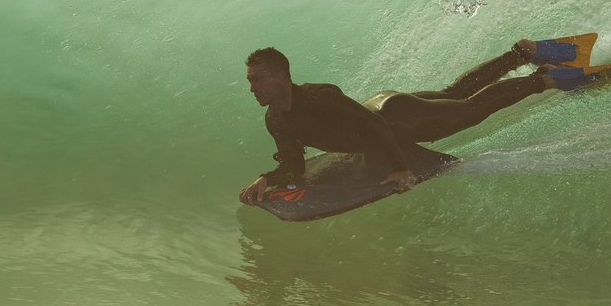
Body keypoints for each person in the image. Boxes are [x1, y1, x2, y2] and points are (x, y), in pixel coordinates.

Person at [239, 40, 557, 204]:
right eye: (251, 80)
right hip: (385, 104)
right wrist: (268, 179)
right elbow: (295, 163)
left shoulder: (319, 97)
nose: (253, 87)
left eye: (259, 79)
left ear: (282, 76)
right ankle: (520, 53)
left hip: (400, 117)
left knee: (470, 110)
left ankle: (542, 80)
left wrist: (400, 167)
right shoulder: (276, 119)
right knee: (454, 93)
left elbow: (376, 127)